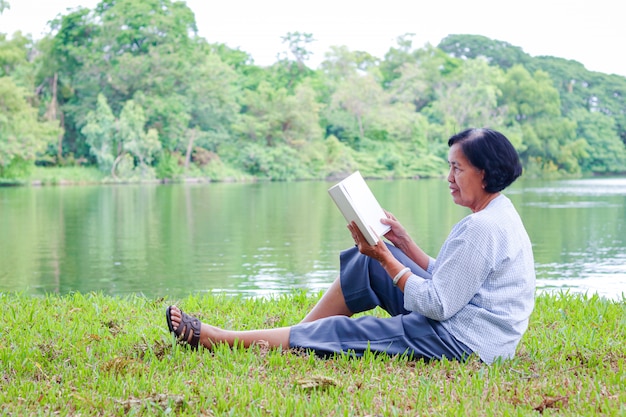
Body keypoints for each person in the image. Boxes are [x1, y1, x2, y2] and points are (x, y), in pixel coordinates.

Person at [165, 128, 536, 364]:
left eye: (457, 169)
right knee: (367, 265)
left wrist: (390, 259)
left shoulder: (481, 228)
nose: (449, 178)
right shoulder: (495, 213)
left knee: (348, 332)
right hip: (465, 321)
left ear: (483, 174)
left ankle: (219, 339)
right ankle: (294, 334)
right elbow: (454, 281)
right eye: (450, 167)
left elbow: (438, 305)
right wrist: (404, 245)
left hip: (464, 342)